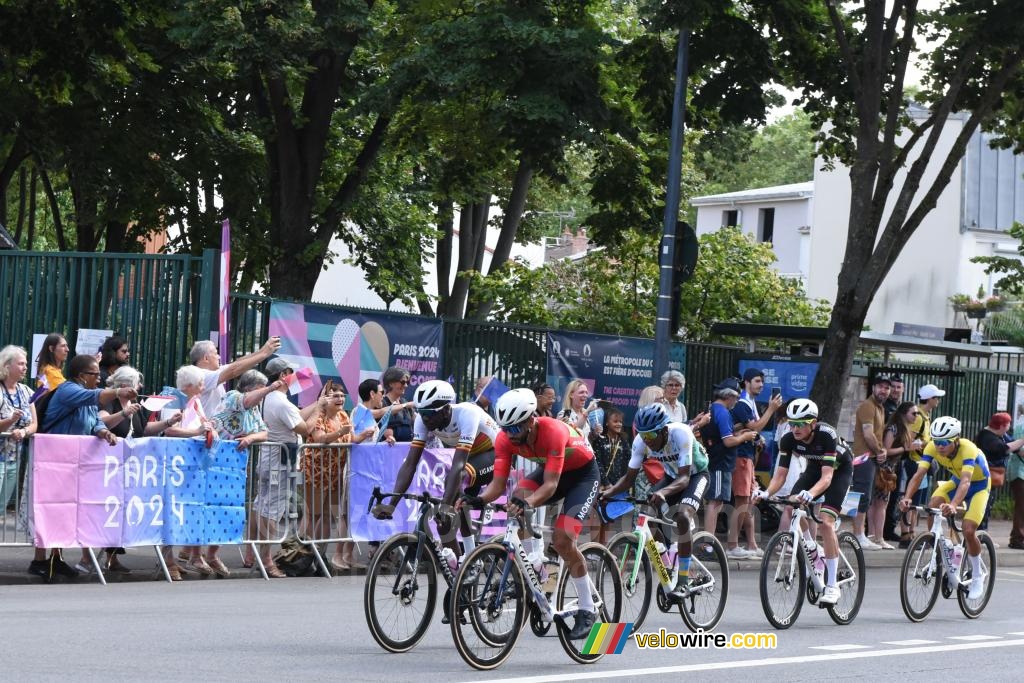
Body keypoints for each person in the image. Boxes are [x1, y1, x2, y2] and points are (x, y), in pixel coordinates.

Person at [461, 388, 600, 640]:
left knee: (562, 540)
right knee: (519, 495)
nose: (510, 435)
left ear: (530, 420)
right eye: (506, 429)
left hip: (582, 476)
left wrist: (527, 504)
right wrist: (478, 499)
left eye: (515, 429)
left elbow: (550, 486)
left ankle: (587, 609)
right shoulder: (505, 438)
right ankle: (535, 563)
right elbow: (498, 484)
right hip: (553, 472)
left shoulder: (553, 431)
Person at [373, 381, 497, 563]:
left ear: (446, 410)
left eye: (429, 415)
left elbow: (458, 467)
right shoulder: (423, 422)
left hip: (494, 454)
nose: (425, 419)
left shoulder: (467, 413)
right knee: (444, 521)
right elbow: (410, 465)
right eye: (421, 414)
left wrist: (444, 507)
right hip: (471, 457)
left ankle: (471, 556)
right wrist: (391, 504)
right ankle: (460, 570)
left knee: (452, 488)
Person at [601, 403, 709, 599]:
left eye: (651, 435)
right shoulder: (641, 442)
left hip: (695, 475)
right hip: (670, 476)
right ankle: (667, 566)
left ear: (663, 430)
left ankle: (683, 581)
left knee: (683, 517)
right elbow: (628, 479)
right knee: (646, 514)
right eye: (643, 435)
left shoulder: (680, 433)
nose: (647, 440)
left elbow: (684, 478)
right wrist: (607, 493)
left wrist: (663, 493)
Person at [40, 354, 135, 577]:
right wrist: (119, 392)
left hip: (76, 464)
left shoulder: (87, 400)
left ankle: (58, 556)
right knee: (55, 509)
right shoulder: (68, 390)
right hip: (56, 462)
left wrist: (104, 432)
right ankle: (46, 560)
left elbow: (95, 422)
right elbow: (94, 396)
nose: (99, 379)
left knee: (70, 509)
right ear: (82, 376)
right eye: (95, 374)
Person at [755, 399, 854, 606]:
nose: (795, 428)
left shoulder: (827, 435)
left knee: (826, 522)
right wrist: (766, 493)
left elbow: (827, 478)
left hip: (839, 471)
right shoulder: (788, 439)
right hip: (814, 468)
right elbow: (780, 475)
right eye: (792, 423)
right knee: (791, 506)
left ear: (813, 423)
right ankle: (811, 547)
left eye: (801, 423)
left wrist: (811, 493)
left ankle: (832, 585)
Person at [98, 365, 183, 574]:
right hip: (109, 465)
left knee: (123, 510)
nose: (140, 386)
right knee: (109, 510)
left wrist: (167, 422)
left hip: (130, 467)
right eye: (137, 383)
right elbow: (101, 422)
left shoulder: (135, 403)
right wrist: (122, 413)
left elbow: (144, 429)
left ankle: (113, 557)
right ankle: (93, 556)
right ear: (126, 385)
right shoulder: (110, 401)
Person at [243, 357, 322, 577]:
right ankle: (266, 559)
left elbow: (295, 417)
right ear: (282, 375)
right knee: (272, 509)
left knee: (261, 504)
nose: (295, 377)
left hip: (272, 461)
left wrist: (318, 403)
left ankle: (252, 553)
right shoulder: (280, 401)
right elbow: (304, 428)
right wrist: (318, 411)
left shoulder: (271, 399)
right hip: (280, 463)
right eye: (291, 373)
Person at [900, 417, 991, 600]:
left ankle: (977, 575)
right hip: (956, 482)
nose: (939, 446)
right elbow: (918, 475)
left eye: (945, 442)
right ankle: (945, 548)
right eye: (936, 441)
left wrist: (953, 505)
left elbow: (966, 481)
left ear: (956, 440)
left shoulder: (968, 449)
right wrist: (907, 497)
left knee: (968, 529)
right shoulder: (932, 447)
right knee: (932, 506)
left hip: (978, 485)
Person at [700, 378, 758, 557]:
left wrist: (737, 434)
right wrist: (744, 437)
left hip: (715, 459)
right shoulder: (723, 412)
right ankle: (708, 545)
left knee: (716, 502)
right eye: (735, 398)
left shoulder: (712, 409)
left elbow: (722, 435)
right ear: (730, 397)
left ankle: (709, 544)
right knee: (715, 502)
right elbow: (728, 441)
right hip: (720, 462)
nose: (736, 402)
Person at [730, 368, 783, 558]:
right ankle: (733, 545)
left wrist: (756, 438)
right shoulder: (743, 403)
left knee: (749, 501)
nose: (761, 385)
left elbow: (753, 429)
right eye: (757, 381)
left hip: (748, 457)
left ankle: (751, 544)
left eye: (762, 381)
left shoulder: (749, 402)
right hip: (741, 457)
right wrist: (771, 409)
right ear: (746, 382)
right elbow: (755, 426)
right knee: (743, 501)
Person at [188, 336, 282, 418]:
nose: (219, 357)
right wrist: (264, 354)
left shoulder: (211, 373)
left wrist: (263, 351)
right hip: (204, 433)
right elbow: (233, 370)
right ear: (206, 358)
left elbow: (236, 364)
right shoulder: (200, 375)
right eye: (216, 353)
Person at [900, 383, 945, 546]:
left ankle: (911, 534)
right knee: (910, 500)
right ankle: (906, 535)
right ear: (930, 399)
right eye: (936, 398)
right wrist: (924, 444)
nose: (938, 401)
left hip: (921, 463)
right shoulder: (919, 417)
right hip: (915, 462)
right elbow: (909, 439)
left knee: (917, 502)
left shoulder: (924, 416)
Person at [850, 374, 890, 550]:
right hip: (863, 457)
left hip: (870, 457)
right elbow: (868, 433)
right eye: (880, 386)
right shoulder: (868, 406)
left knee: (863, 496)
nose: (884, 390)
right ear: (873, 388)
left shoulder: (880, 407)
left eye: (887, 387)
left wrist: (880, 452)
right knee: (860, 496)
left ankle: (859, 534)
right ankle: (858, 535)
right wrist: (880, 451)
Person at [876, 402, 922, 550]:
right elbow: (886, 450)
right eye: (914, 413)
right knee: (879, 503)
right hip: (885, 469)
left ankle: (880, 535)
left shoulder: (904, 428)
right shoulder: (894, 428)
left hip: (893, 468)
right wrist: (906, 448)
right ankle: (877, 536)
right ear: (904, 413)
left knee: (885, 502)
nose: (916, 416)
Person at [974, 412, 1024, 536]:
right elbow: (1004, 449)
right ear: (1001, 426)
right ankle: (978, 534)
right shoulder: (987, 437)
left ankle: (982, 535)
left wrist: (1019, 446)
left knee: (988, 505)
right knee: (983, 506)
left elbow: (1014, 446)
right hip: (983, 476)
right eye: (1008, 425)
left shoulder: (1000, 435)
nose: (1009, 428)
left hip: (993, 476)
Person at [588, 405, 632, 545]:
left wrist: (622, 484)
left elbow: (628, 463)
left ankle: (604, 547)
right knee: (597, 515)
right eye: (615, 421)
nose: (619, 424)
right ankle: (594, 547)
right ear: (607, 422)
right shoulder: (600, 440)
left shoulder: (623, 442)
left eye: (620, 421)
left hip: (616, 485)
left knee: (609, 516)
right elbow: (597, 463)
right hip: (601, 484)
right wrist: (605, 483)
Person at [0, 346, 36, 513]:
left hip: (14, 457)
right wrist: (10, 420)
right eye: (21, 363)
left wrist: (24, 432)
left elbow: (35, 424)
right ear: (7, 366)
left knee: (2, 506)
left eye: (26, 363)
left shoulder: (27, 391)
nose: (25, 367)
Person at [380, 366, 416, 442]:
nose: (406, 385)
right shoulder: (382, 403)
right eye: (402, 382)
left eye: (407, 382)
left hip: (406, 450)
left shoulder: (405, 402)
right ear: (391, 383)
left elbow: (416, 424)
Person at [1009, 436, 1024, 550]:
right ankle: (1017, 538)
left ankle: (1017, 538)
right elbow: (1019, 451)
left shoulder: (1019, 425)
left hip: (1018, 471)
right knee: (1021, 506)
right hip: (1020, 472)